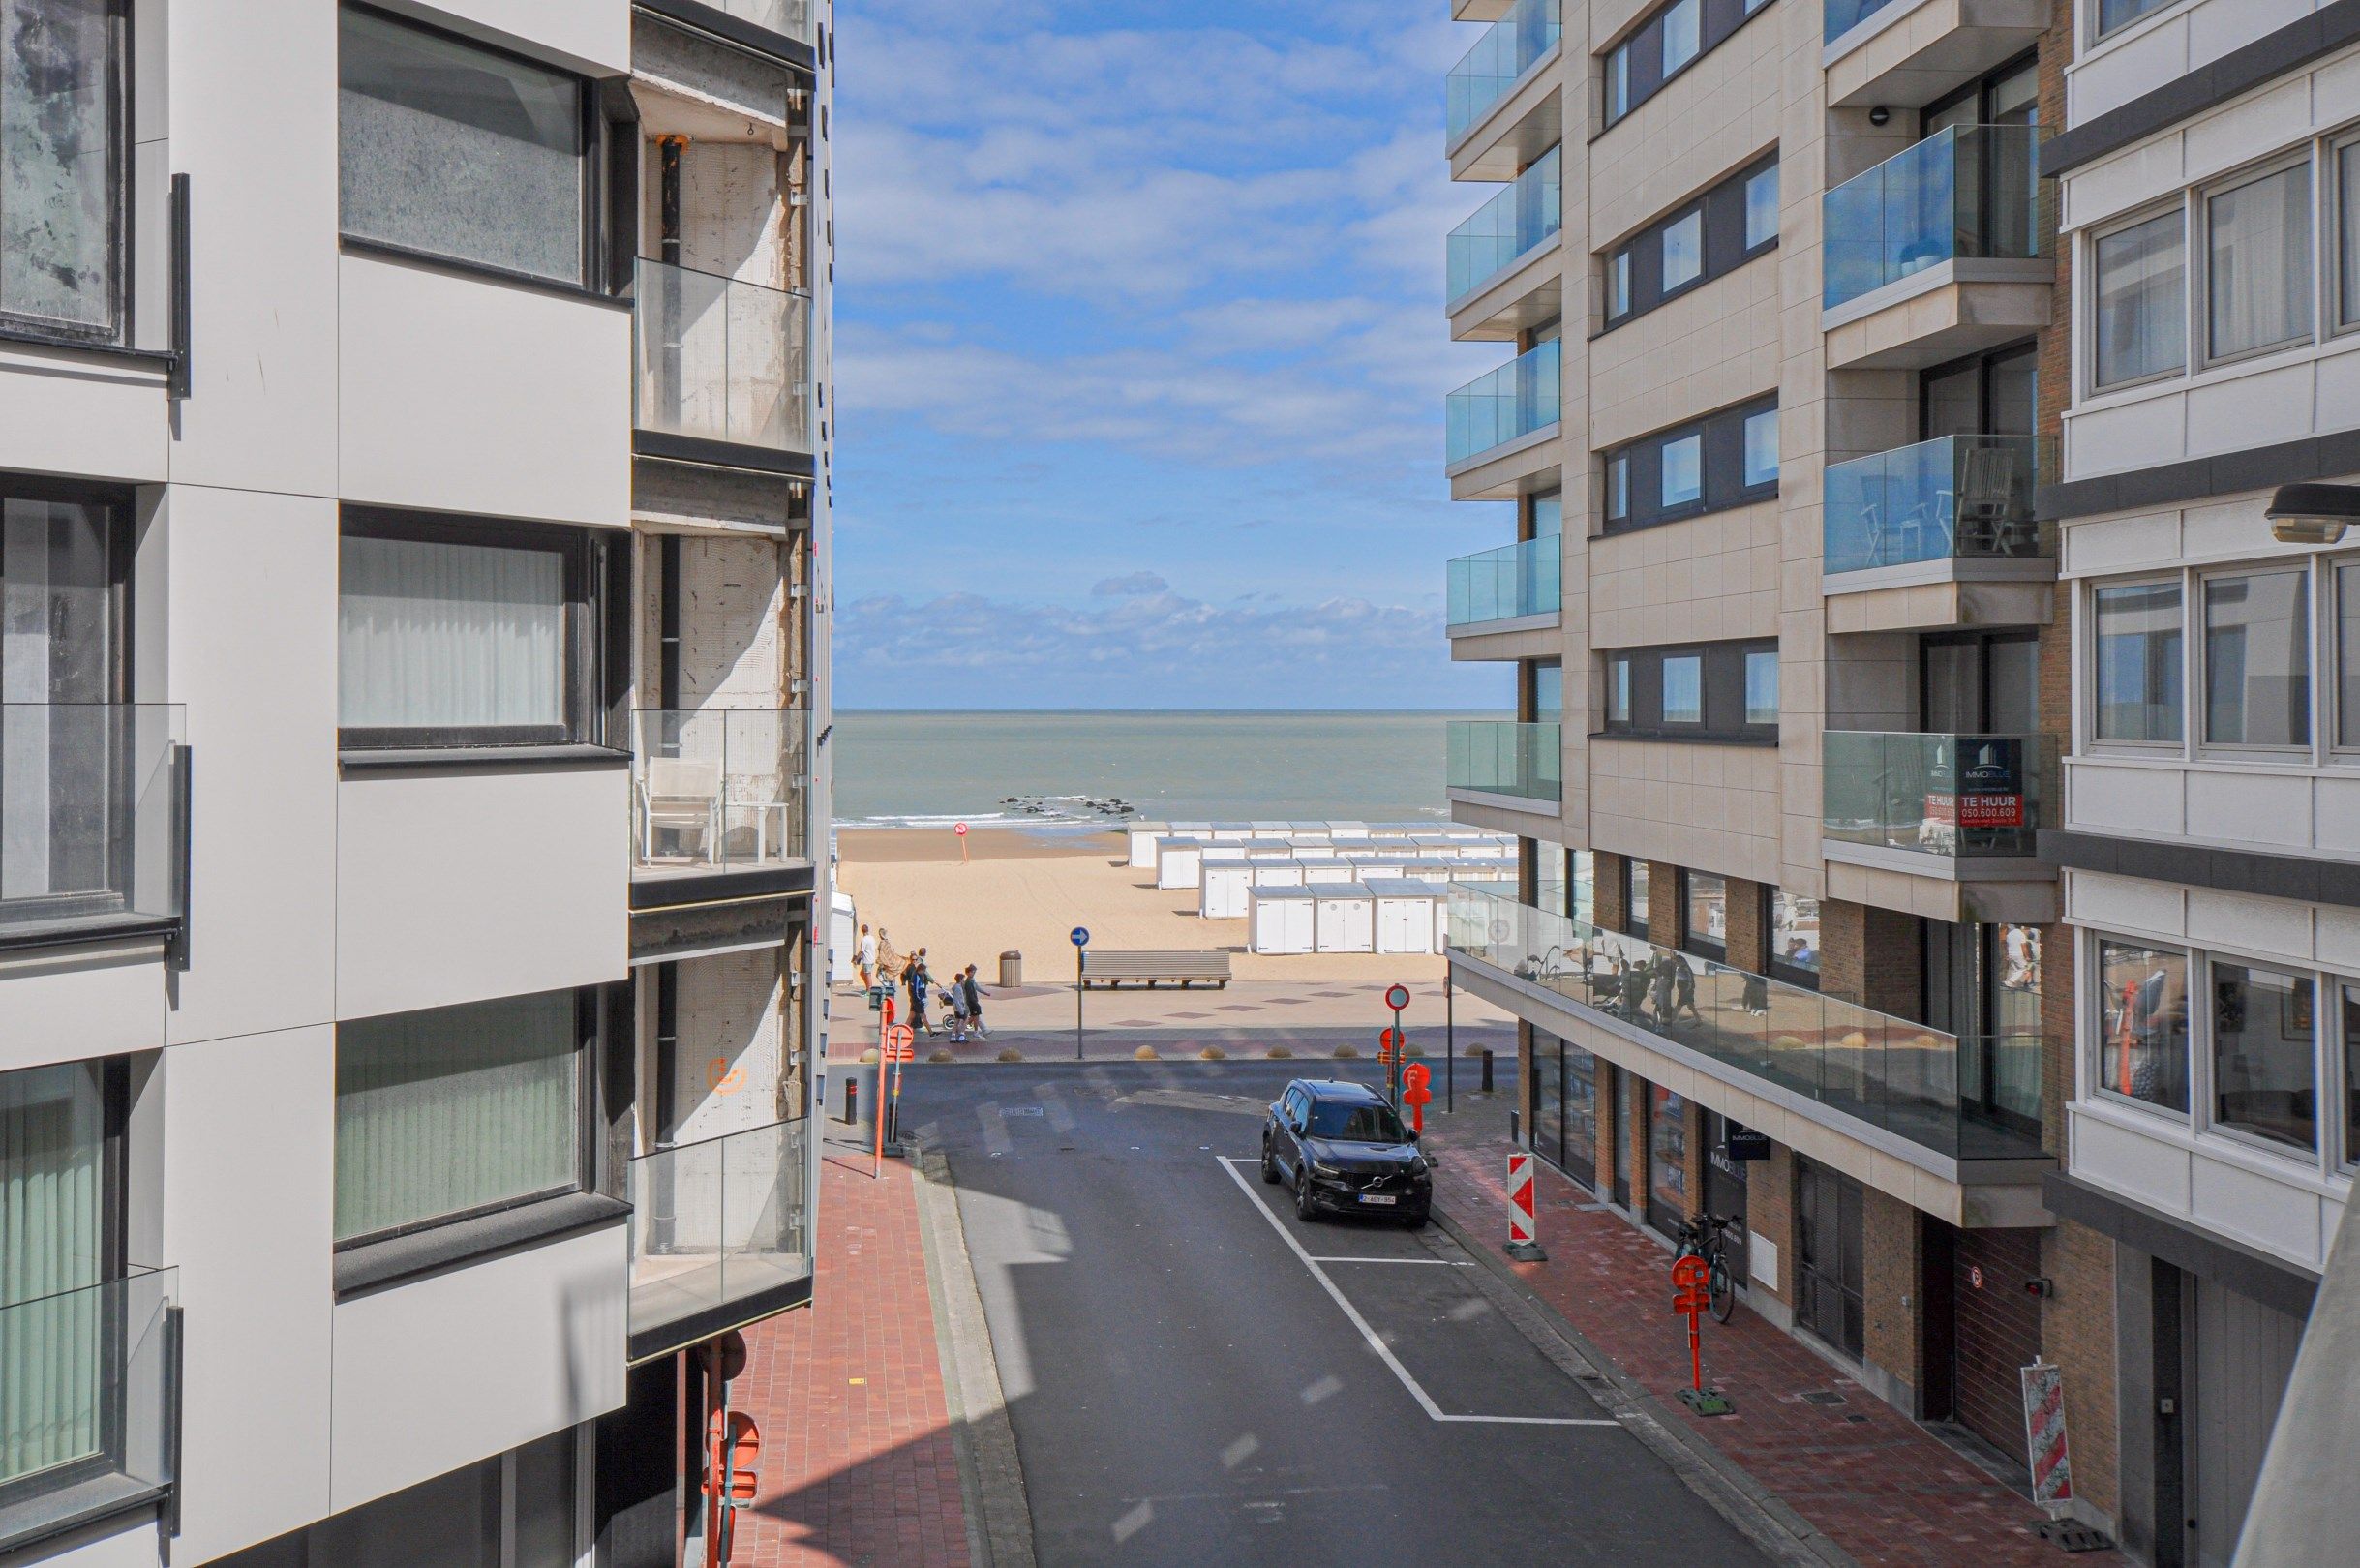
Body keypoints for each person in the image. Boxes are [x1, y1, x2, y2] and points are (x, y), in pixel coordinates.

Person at [962, 964, 988, 1039]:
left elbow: (976, 989)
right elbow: (970, 995)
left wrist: (985, 993)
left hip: (972, 1002)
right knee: (973, 1017)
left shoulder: (971, 981)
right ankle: (969, 1032)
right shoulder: (968, 982)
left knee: (974, 1017)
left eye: (974, 972)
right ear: (968, 973)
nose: (973, 973)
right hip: (972, 1003)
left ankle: (972, 1031)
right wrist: (975, 1003)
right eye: (972, 972)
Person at [857, 923, 877, 991]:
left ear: (862, 931)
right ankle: (868, 988)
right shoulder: (872, 938)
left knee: (868, 975)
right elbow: (874, 948)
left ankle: (870, 991)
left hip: (867, 960)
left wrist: (856, 959)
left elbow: (862, 951)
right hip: (871, 959)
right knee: (862, 973)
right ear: (868, 930)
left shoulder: (864, 939)